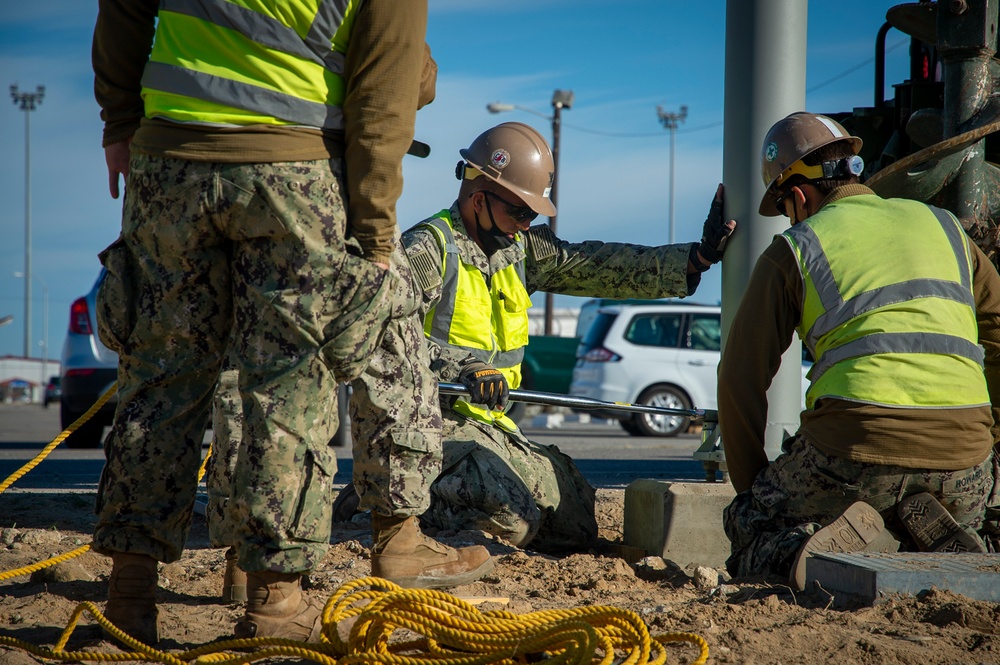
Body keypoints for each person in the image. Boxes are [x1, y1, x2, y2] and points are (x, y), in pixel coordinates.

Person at [91, 0, 488, 646]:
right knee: (288, 391)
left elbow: (125, 9)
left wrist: (119, 122)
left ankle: (127, 601)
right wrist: (375, 231)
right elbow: (387, 91)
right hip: (291, 168)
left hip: (169, 156)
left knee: (156, 381)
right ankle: (273, 608)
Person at [337, 121, 735, 553]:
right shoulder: (427, 250)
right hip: (435, 425)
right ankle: (374, 501)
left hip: (491, 425)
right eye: (520, 212)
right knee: (511, 516)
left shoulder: (518, 248)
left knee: (575, 519)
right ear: (478, 198)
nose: (526, 225)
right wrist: (463, 368)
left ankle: (383, 495)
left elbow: (593, 264)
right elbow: (382, 337)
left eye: (532, 215)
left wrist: (694, 258)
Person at [717, 111, 1000, 592]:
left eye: (785, 206)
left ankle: (807, 548)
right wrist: (986, 445)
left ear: (800, 195)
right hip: (964, 459)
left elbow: (740, 378)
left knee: (747, 527)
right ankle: (960, 536)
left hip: (850, 452)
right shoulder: (948, 228)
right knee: (980, 510)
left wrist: (755, 492)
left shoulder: (797, 247)